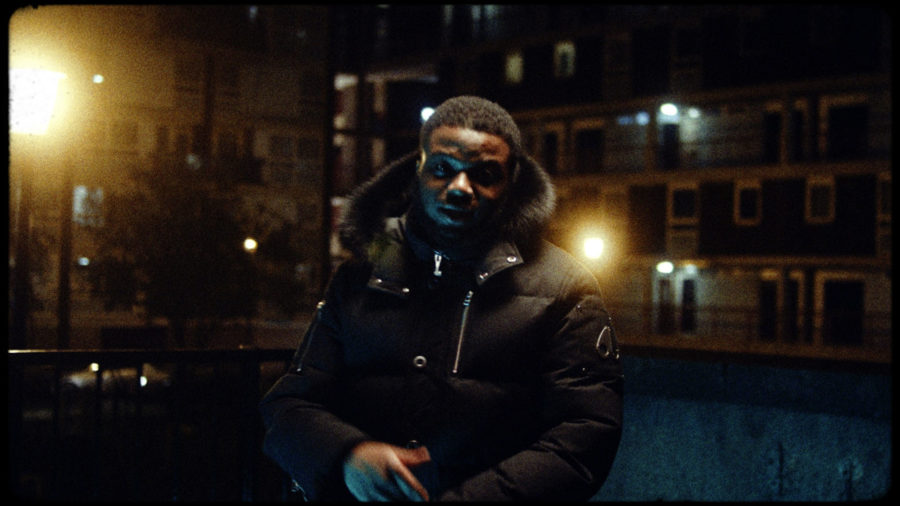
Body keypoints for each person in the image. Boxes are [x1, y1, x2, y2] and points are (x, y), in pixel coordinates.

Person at [259, 96, 623, 501]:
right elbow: (289, 404)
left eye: (485, 174)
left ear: (512, 181)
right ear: (418, 169)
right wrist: (348, 456)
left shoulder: (564, 287)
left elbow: (583, 439)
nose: (460, 188)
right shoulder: (360, 275)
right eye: (442, 169)